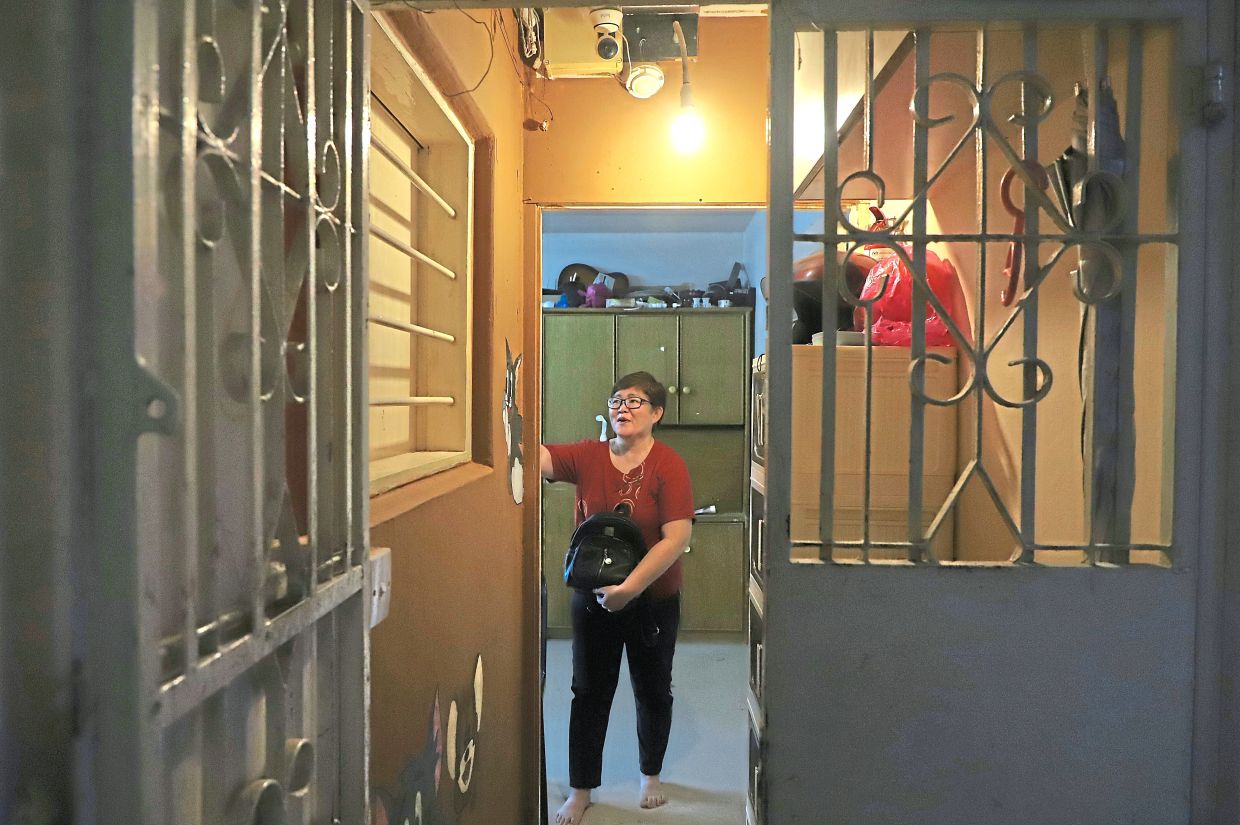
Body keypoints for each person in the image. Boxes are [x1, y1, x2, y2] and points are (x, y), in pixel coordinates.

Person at [540, 371, 694, 825]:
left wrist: (630, 589)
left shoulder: (669, 464)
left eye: (635, 401)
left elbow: (676, 537)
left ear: (657, 413)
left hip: (653, 600)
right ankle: (581, 789)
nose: (622, 409)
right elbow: (539, 458)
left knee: (653, 689)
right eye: (616, 401)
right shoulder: (588, 456)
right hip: (593, 600)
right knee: (588, 692)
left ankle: (650, 775)